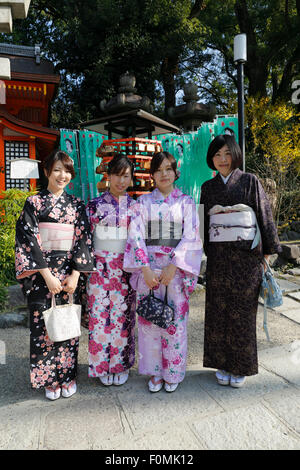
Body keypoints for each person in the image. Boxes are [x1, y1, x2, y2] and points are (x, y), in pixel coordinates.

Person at [200, 135, 282, 388]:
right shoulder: (208, 187)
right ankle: (222, 363)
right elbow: (203, 225)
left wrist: (266, 252)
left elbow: (264, 216)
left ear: (235, 155)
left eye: (227, 154)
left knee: (243, 315)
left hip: (246, 261)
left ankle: (241, 366)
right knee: (217, 313)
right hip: (218, 260)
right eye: (217, 155)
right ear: (211, 159)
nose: (222, 160)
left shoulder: (249, 181)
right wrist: (202, 253)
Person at [15, 150, 95, 400]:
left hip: (68, 274)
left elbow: (83, 240)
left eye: (67, 171)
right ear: (47, 171)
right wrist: (47, 275)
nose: (63, 175)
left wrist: (75, 275)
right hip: (42, 275)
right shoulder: (34, 203)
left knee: (67, 325)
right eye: (58, 169)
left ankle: (68, 376)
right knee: (43, 327)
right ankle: (49, 380)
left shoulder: (76, 205)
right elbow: (28, 239)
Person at [124, 151, 202, 393]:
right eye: (158, 170)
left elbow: (191, 237)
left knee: (175, 323)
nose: (164, 174)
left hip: (175, 272)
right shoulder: (142, 204)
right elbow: (135, 236)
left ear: (175, 172)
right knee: (149, 323)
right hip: (149, 272)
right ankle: (155, 372)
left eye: (168, 169)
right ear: (152, 175)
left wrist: (173, 265)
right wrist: (145, 268)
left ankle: (174, 371)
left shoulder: (186, 203)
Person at [86, 154, 136, 386]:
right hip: (99, 269)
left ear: (131, 178)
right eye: (117, 174)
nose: (121, 180)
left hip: (125, 271)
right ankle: (101, 365)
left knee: (123, 319)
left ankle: (121, 364)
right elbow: (85, 240)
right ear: (108, 176)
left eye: (126, 175)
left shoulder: (135, 207)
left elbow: (139, 242)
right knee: (100, 318)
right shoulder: (94, 205)